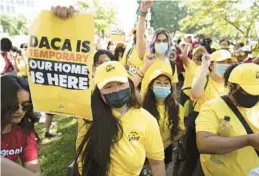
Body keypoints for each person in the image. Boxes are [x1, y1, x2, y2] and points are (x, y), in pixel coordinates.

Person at [74, 61, 166, 176]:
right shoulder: (88, 118)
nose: (116, 90)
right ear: (99, 93)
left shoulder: (147, 120)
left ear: (129, 84)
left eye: (120, 83)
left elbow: (157, 163)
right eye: (108, 87)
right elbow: (82, 159)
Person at [196, 63, 259, 176]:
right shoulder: (212, 107)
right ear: (231, 86)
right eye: (249, 91)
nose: (254, 96)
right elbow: (204, 143)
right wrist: (248, 140)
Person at [182, 49, 237, 176]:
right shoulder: (203, 76)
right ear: (212, 64)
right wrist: (204, 68)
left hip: (223, 125)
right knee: (192, 159)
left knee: (216, 160)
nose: (225, 65)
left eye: (228, 62)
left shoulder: (231, 84)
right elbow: (195, 94)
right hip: (199, 122)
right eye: (221, 62)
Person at [142, 70, 185, 167]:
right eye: (158, 82)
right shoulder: (141, 106)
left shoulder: (177, 108)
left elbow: (181, 130)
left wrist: (166, 144)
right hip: (143, 148)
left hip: (165, 149)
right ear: (151, 86)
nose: (162, 86)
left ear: (170, 87)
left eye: (166, 83)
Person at [137, 0, 178, 99]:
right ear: (153, 43)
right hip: (146, 106)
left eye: (164, 41)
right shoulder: (147, 56)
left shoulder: (171, 65)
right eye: (158, 41)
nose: (161, 43)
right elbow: (140, 35)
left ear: (168, 44)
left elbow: (174, 90)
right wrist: (143, 14)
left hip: (164, 109)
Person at [1, 75, 40, 175]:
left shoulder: (25, 132)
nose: (20, 111)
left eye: (25, 105)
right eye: (13, 105)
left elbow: (34, 171)